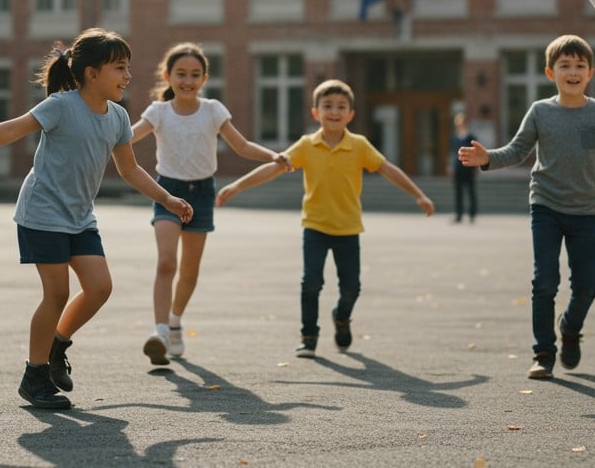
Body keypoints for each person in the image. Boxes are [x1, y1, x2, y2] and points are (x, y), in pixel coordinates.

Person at [0, 28, 193, 410]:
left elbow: (131, 170)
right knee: (57, 293)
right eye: (119, 68)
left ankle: (56, 345)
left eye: (128, 68)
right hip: (42, 212)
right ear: (91, 73)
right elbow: (11, 130)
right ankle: (34, 377)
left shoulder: (117, 117)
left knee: (100, 287)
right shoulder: (61, 106)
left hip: (79, 216)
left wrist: (167, 198)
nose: (128, 76)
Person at [216, 78, 434, 358]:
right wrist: (236, 186)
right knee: (311, 283)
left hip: (348, 228)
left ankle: (341, 318)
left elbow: (387, 169)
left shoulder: (359, 145)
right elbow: (274, 168)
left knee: (351, 288)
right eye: (328, 105)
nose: (334, 111)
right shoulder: (307, 145)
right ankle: (309, 337)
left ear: (351, 114)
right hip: (315, 226)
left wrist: (418, 194)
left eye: (341, 106)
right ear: (316, 112)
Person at [457, 34, 595, 380]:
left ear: (590, 73)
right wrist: (486, 158)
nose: (572, 71)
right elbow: (517, 150)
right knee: (545, 281)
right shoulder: (540, 111)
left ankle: (569, 326)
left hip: (584, 210)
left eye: (579, 66)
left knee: (586, 285)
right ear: (550, 73)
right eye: (564, 65)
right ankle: (543, 353)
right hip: (546, 206)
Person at [129, 42, 288, 365]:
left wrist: (273, 155)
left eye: (195, 75)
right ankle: (159, 332)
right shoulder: (158, 111)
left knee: (189, 270)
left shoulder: (213, 110)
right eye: (181, 74)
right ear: (167, 76)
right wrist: (97, 135)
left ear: (204, 78)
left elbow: (241, 146)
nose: (187, 80)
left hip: (201, 193)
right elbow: (129, 136)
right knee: (166, 263)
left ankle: (174, 322)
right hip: (168, 193)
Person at [448, 111, 479, 223]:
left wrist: (476, 168)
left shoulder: (471, 137)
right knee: (458, 192)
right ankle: (459, 214)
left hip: (469, 168)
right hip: (458, 168)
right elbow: (452, 153)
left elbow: (476, 153)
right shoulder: (454, 137)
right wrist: (450, 166)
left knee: (471, 191)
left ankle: (472, 214)